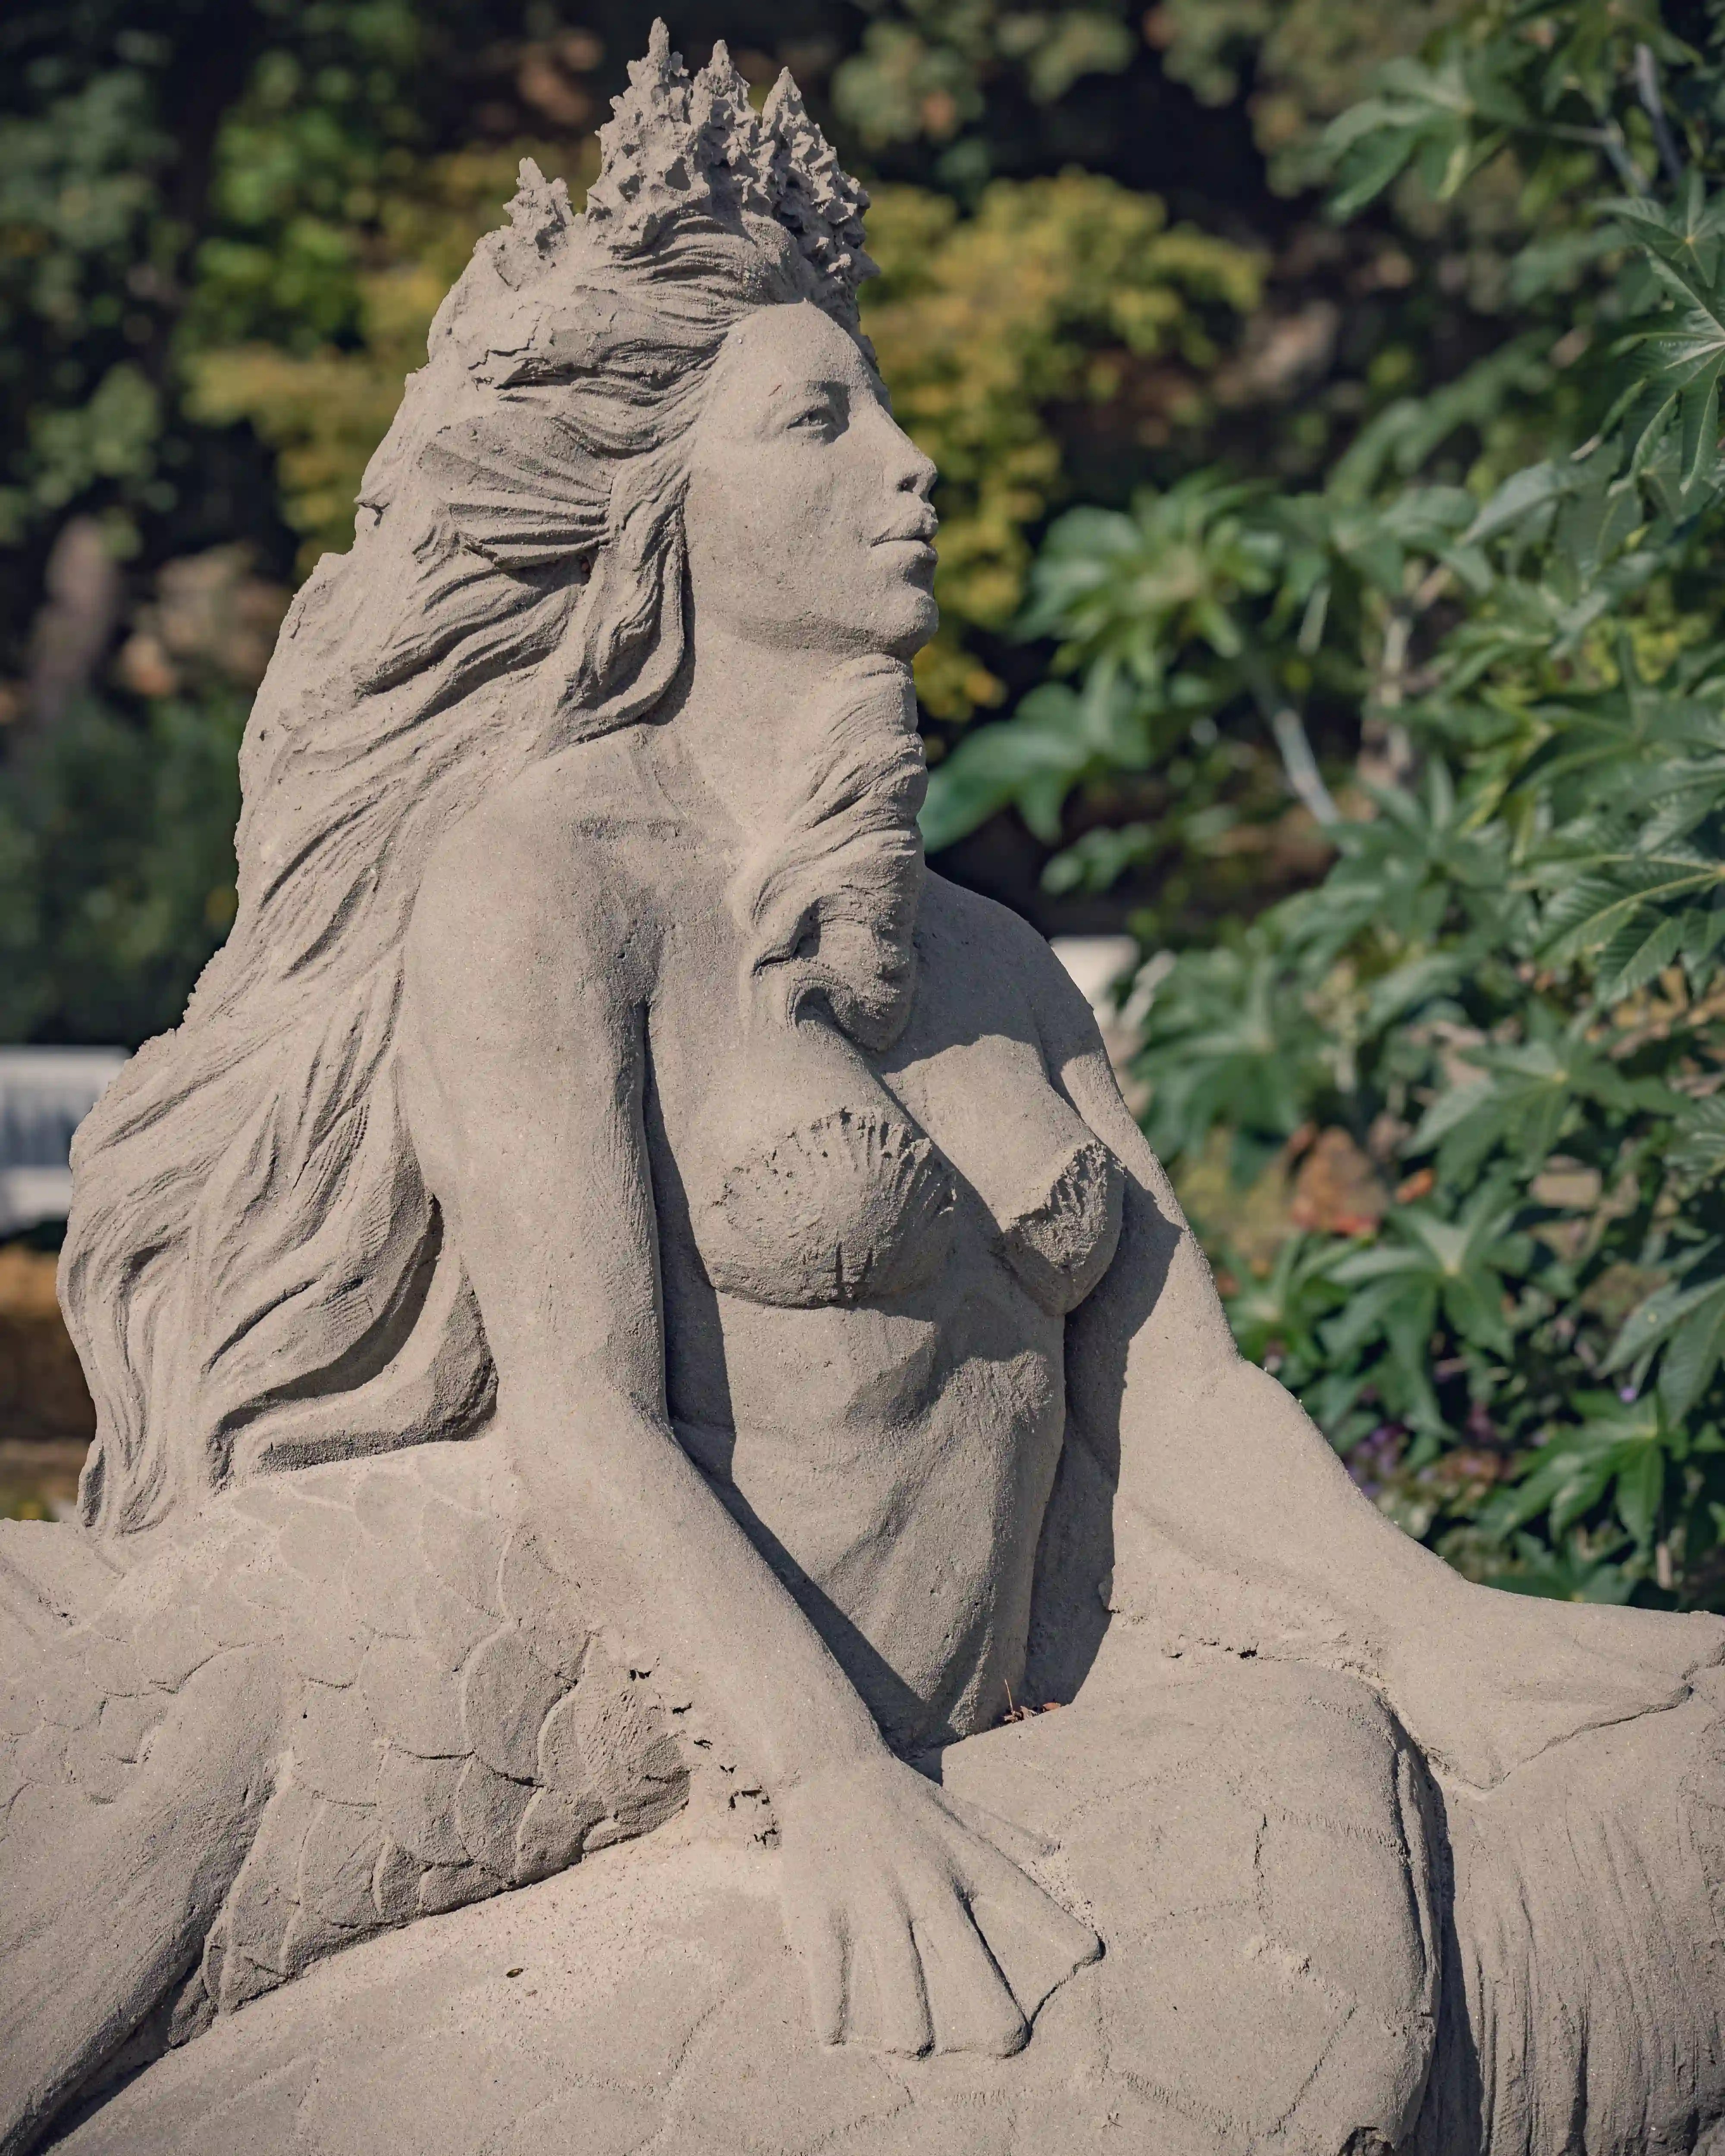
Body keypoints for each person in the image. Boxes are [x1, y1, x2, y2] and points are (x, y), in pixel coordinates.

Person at [4, 29, 1723, 2155]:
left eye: (889, 403)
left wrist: (1432, 1626)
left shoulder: (988, 954)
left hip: (974, 1713)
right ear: (665, 510)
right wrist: (822, 1775)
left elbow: (1171, 1392)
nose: (907, 459)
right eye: (823, 420)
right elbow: (580, 1406)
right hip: (606, 1702)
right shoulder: (552, 885)